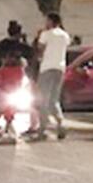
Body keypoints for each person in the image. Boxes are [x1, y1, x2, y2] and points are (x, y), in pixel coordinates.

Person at [33, 13, 70, 141]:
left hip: (47, 68)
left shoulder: (46, 34)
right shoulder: (65, 35)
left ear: (51, 21)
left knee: (42, 98)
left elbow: (40, 49)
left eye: (47, 21)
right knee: (54, 99)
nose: (45, 23)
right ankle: (61, 124)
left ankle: (42, 128)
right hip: (60, 68)